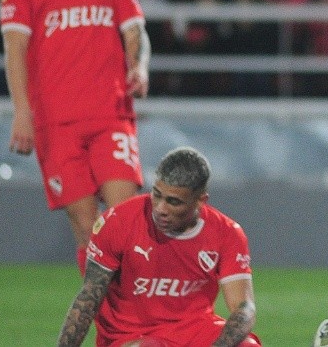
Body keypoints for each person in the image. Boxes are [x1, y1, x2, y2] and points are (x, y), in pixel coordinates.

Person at [0, 0, 151, 275]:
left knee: (124, 224)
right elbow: (14, 48)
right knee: (87, 229)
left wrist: (141, 65)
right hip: (56, 123)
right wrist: (21, 111)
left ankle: (136, 323)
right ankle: (111, 327)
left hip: (111, 114)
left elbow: (136, 31)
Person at [57, 146, 261, 347]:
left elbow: (243, 308)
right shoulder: (119, 221)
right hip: (131, 334)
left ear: (200, 201)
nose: (160, 209)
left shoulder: (226, 233)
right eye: (157, 194)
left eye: (173, 202)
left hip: (194, 329)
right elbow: (88, 298)